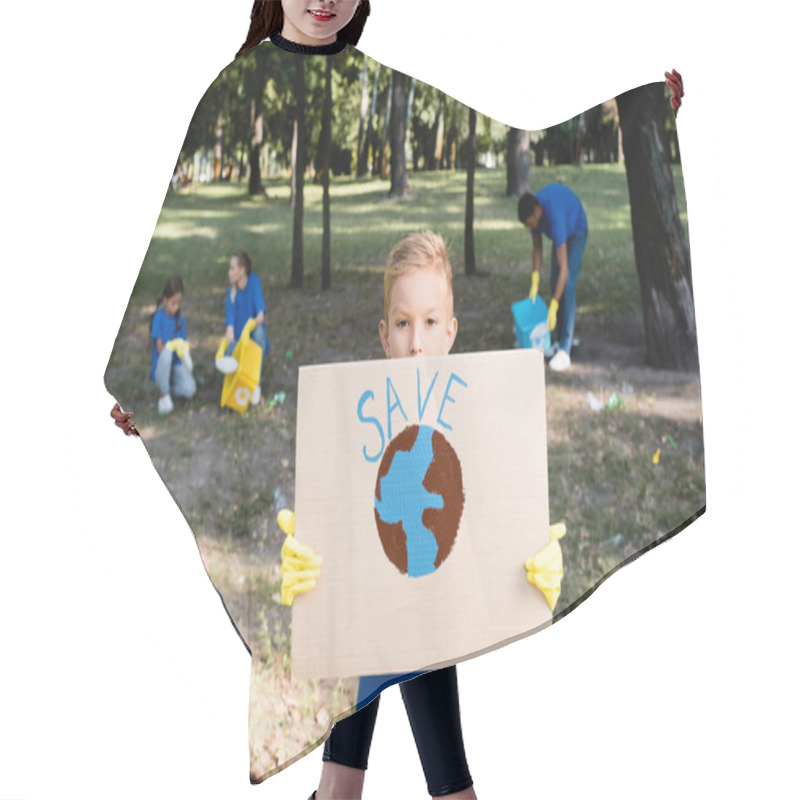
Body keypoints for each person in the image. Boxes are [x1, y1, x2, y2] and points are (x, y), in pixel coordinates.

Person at [517, 186, 588, 372]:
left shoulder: (554, 217)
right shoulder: (534, 214)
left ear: (537, 212)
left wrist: (554, 305)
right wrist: (535, 280)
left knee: (568, 284)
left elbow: (565, 269)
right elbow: (537, 248)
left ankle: (565, 350)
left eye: (530, 224)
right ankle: (558, 340)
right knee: (553, 281)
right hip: (564, 233)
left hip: (576, 231)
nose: (530, 229)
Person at [224, 250, 271, 405]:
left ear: (242, 270)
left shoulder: (254, 282)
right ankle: (237, 383)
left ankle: (255, 382)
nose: (229, 272)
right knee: (229, 352)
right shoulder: (231, 293)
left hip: (252, 337)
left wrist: (248, 329)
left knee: (258, 332)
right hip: (239, 342)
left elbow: (260, 316)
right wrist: (229, 334)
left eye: (232, 268)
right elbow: (229, 326)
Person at [149, 276, 196, 414]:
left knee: (190, 390)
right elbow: (160, 349)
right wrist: (172, 345)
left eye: (179, 302)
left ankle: (169, 387)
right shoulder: (159, 317)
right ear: (165, 300)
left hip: (175, 365)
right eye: (173, 302)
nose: (176, 306)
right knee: (167, 352)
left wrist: (185, 352)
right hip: (161, 366)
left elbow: (183, 345)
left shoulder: (180, 320)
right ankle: (163, 393)